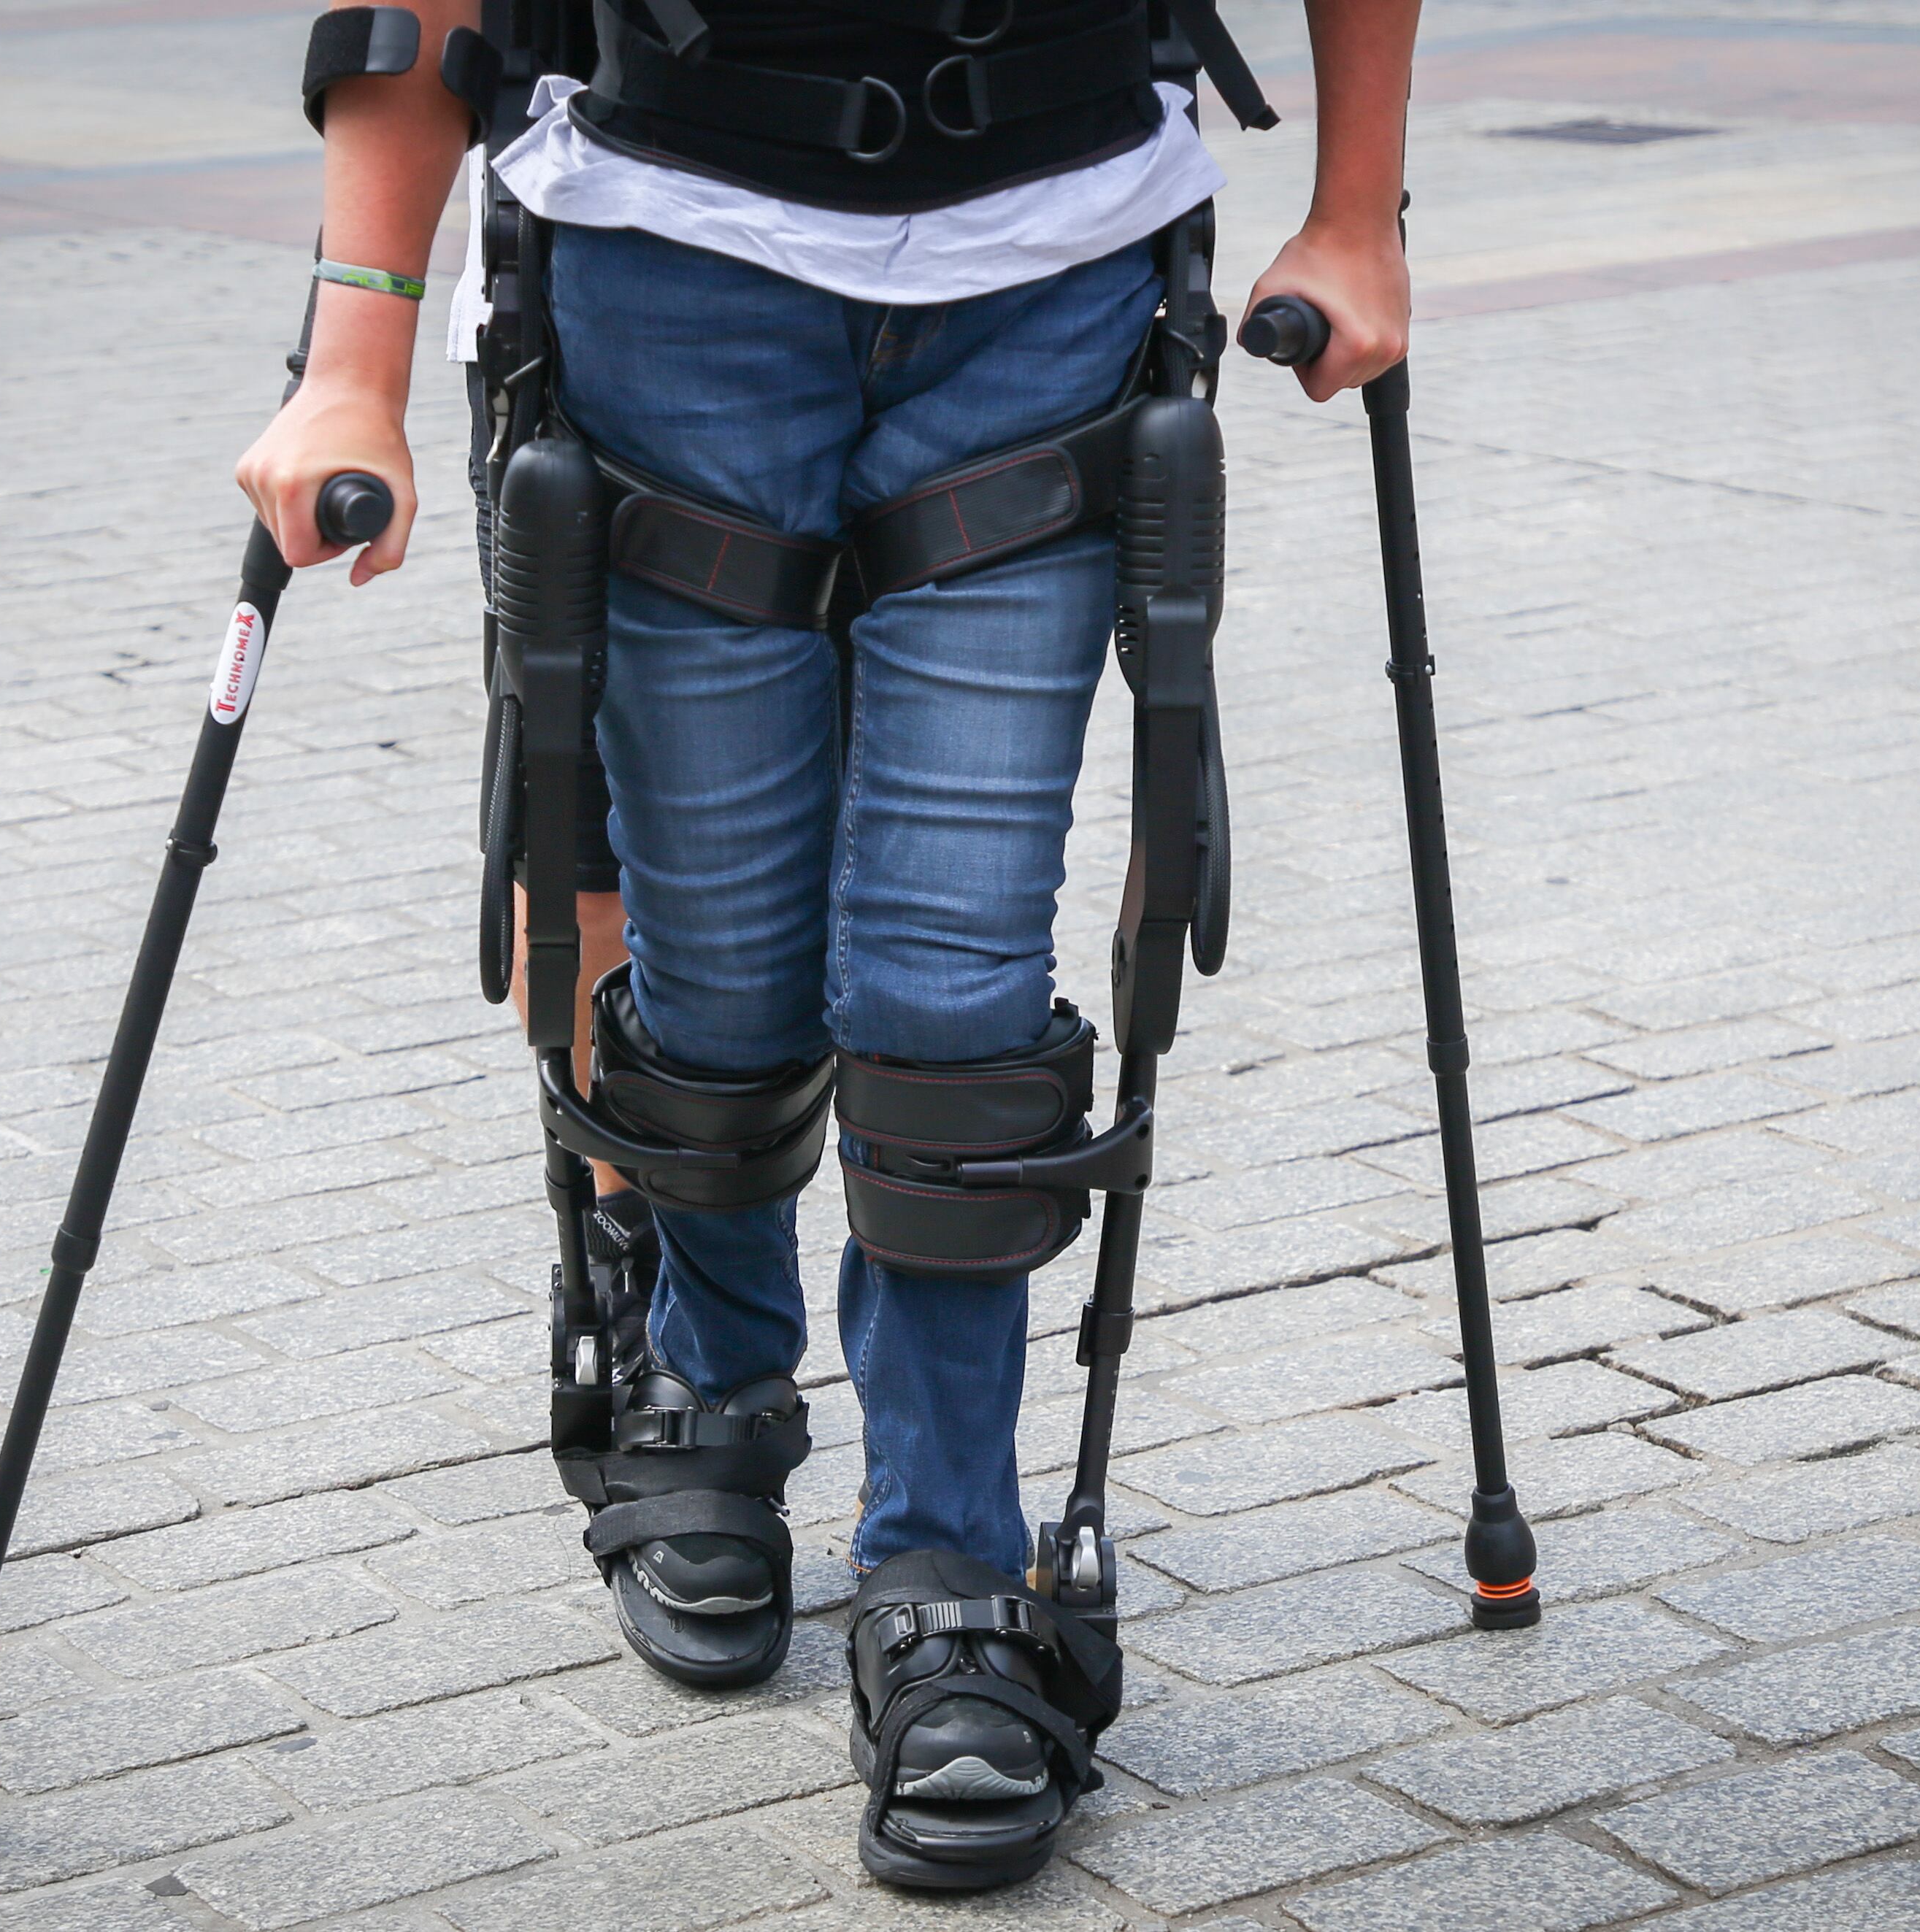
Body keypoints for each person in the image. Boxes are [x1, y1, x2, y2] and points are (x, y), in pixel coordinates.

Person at [238, 0, 1420, 1887]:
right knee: (720, 963)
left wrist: (1359, 211)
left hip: (1049, 271)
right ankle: (709, 1381)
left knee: (945, 977)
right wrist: (352, 358)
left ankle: (948, 1561)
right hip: (662, 273)